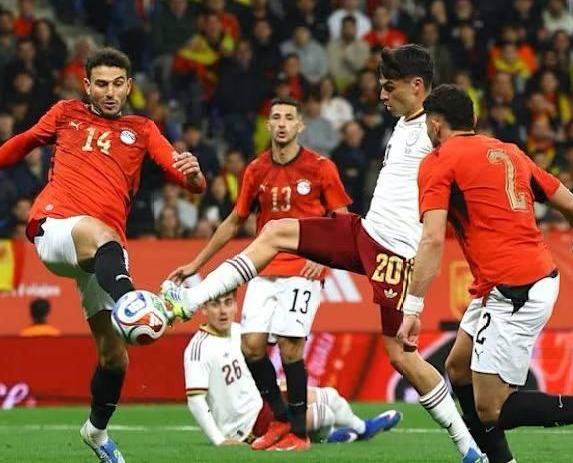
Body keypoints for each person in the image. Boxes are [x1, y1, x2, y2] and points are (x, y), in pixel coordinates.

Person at [163, 45, 486, 463]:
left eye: (389, 87)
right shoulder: (405, 123)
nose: (381, 95)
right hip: (365, 232)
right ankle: (190, 301)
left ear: (417, 85)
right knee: (276, 230)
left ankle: (468, 447)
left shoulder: (435, 129)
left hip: (395, 256)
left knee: (402, 357)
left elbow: (468, 163)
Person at [0, 47, 206, 463]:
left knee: (114, 357)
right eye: (101, 84)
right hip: (55, 226)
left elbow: (181, 173)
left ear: (129, 87)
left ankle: (96, 431)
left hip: (103, 255)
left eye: (117, 84)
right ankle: (134, 301)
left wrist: (194, 177)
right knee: (101, 235)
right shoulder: (65, 113)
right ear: (87, 86)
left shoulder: (142, 129)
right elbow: (24, 142)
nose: (109, 92)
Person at [404, 84, 573, 463]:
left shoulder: (439, 161)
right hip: (516, 279)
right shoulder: (509, 152)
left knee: (493, 409)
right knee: (458, 367)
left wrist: (412, 306)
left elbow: (433, 239)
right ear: (472, 119)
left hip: (514, 288)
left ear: (435, 125)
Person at [169, 96, 351, 451]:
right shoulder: (256, 170)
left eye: (289, 118)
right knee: (251, 347)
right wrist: (196, 264)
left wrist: (327, 259)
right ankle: (281, 418)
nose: (282, 123)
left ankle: (299, 432)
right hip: (262, 266)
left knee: (289, 346)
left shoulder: (320, 167)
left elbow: (344, 221)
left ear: (300, 125)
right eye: (276, 117)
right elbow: (234, 221)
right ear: (268, 126)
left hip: (303, 269)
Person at [184, 290, 401, 446]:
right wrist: (219, 440)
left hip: (263, 403)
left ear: (235, 305)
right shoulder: (198, 349)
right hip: (246, 425)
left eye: (228, 302)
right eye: (215, 304)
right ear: (204, 308)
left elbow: (248, 375)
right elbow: (195, 400)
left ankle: (362, 429)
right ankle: (326, 439)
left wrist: (276, 386)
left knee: (329, 396)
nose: (223, 311)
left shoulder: (238, 330)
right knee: (323, 414)